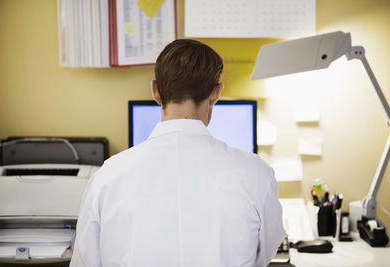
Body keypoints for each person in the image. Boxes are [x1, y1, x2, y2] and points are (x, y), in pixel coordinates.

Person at [70, 39, 286, 267]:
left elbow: (85, 262)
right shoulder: (256, 175)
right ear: (216, 93)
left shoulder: (106, 178)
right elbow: (263, 255)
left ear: (155, 90)